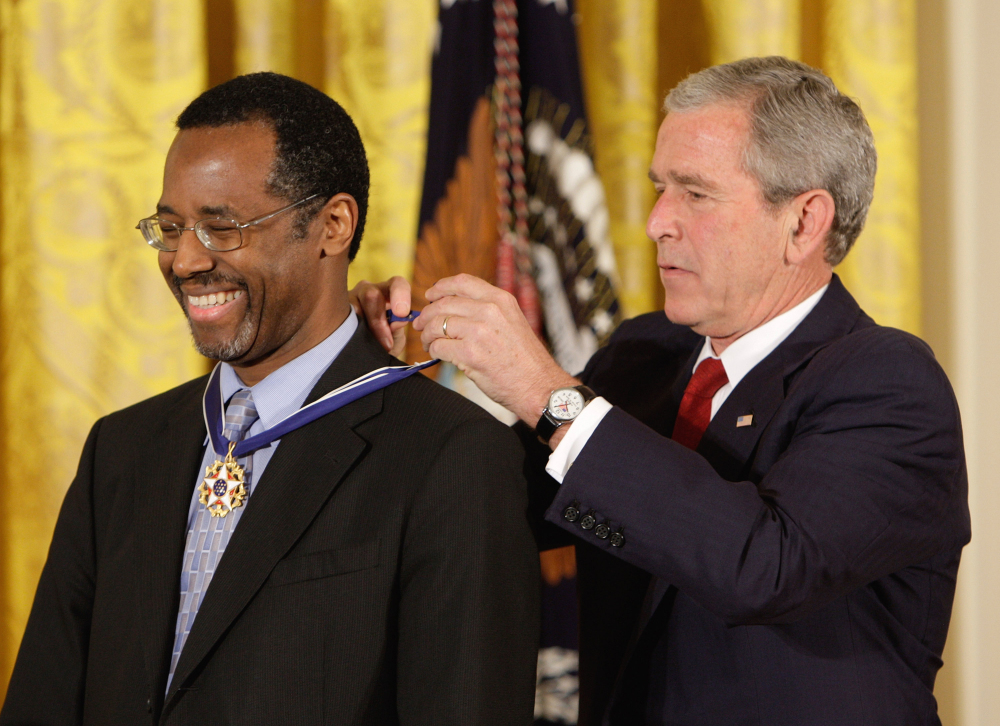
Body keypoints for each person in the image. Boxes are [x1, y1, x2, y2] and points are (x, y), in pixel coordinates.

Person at [357, 57, 970, 725]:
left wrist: (544, 390)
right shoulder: (642, 356)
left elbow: (761, 566)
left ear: (803, 223)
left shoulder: (888, 383)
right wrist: (359, 364)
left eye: (695, 194)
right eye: (659, 188)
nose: (656, 224)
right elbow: (480, 500)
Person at [0, 72, 540, 726]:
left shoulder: (450, 456)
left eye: (221, 228)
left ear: (333, 225)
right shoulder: (121, 448)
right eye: (170, 227)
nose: (185, 261)